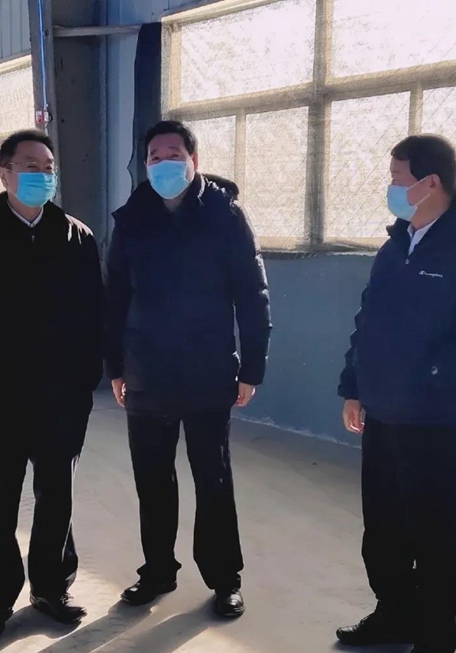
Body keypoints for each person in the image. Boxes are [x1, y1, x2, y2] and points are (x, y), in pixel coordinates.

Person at [337, 134, 456, 653]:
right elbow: (367, 321)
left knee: (434, 536)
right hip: (383, 415)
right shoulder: (397, 246)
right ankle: (393, 615)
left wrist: (432, 371)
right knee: (384, 531)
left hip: (436, 419)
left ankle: (437, 633)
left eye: (397, 178)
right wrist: (354, 385)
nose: (391, 188)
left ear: (430, 182)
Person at [103, 120, 271, 618]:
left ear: (193, 160)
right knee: (152, 478)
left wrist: (251, 368)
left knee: (212, 479)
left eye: (173, 154)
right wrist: (116, 366)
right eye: (154, 157)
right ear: (145, 164)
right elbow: (115, 297)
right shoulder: (132, 219)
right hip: (147, 370)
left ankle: (225, 579)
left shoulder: (225, 215)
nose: (163, 163)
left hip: (207, 370)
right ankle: (157, 570)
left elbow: (253, 295)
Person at [0, 129, 103, 639]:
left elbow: (93, 316)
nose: (42, 176)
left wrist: (86, 383)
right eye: (31, 166)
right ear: (4, 172)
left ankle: (51, 586)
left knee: (57, 495)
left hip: (61, 397)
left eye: (48, 168)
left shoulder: (77, 237)